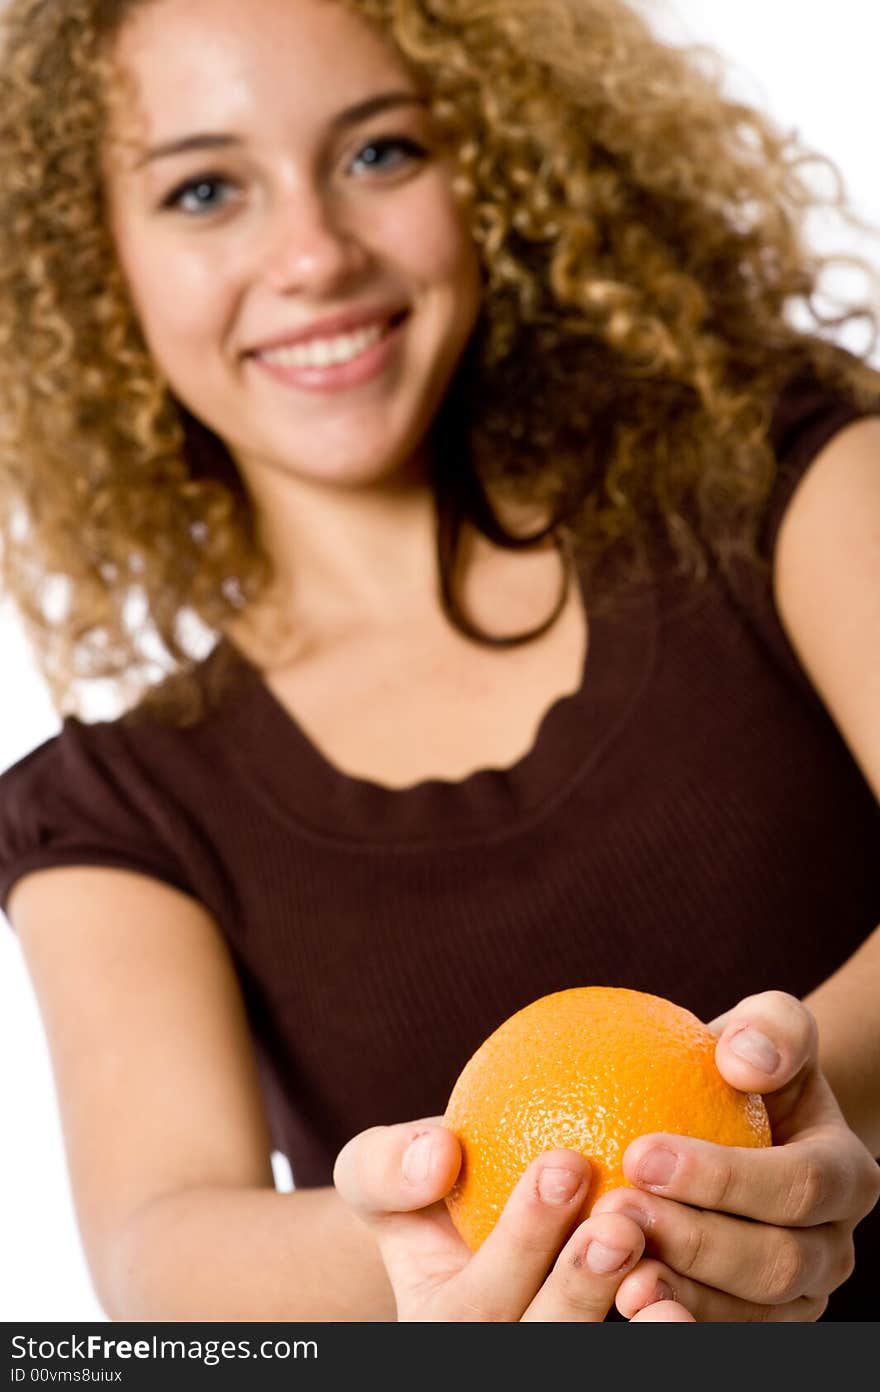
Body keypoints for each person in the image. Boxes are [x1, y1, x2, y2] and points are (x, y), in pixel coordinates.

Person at [0, 0, 877, 1323]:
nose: (312, 254)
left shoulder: (783, 475)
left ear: (494, 163)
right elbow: (154, 1247)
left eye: (377, 154)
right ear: (87, 263)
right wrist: (475, 1246)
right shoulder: (119, 814)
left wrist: (766, 1120)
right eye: (203, 189)